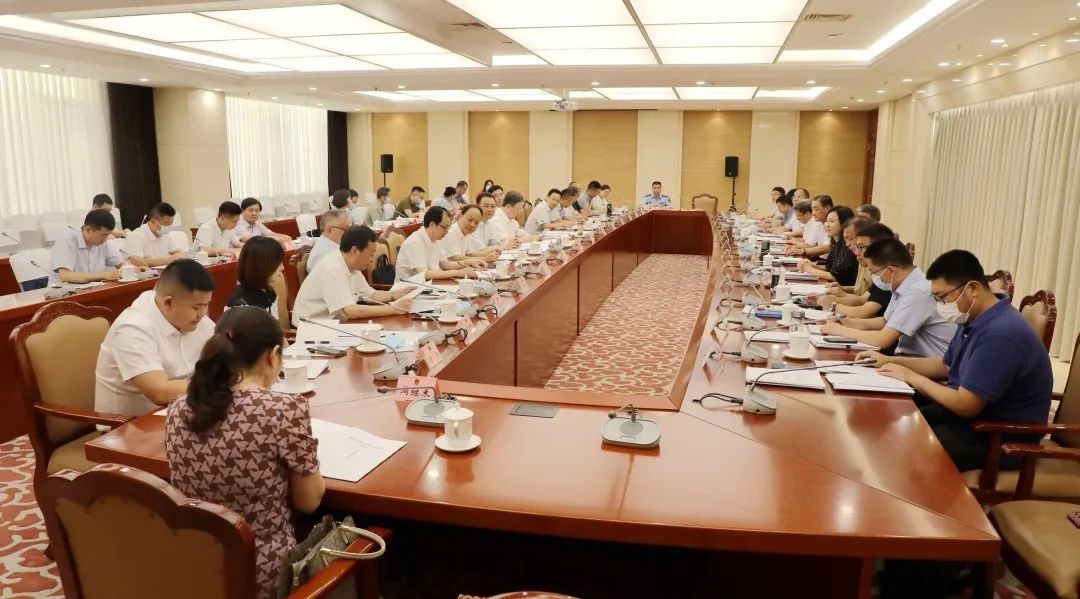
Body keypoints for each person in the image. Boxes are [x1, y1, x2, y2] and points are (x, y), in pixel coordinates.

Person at [166, 306, 324, 599]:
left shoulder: (177, 408)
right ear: (272, 355)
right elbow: (309, 502)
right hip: (262, 575)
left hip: (197, 565)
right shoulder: (284, 409)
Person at [858, 250, 1052, 471]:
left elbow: (966, 404)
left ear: (973, 289)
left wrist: (911, 376)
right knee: (894, 422)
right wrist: (888, 361)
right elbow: (946, 365)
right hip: (972, 421)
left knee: (904, 450)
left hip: (998, 437)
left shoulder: (1001, 333)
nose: (940, 304)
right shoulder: (973, 316)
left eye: (942, 297)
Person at [95, 259, 216, 415]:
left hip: (183, 410)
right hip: (129, 424)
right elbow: (159, 392)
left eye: (206, 304)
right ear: (168, 303)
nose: (202, 314)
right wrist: (217, 386)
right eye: (196, 307)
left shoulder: (196, 317)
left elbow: (226, 359)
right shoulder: (133, 327)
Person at [822, 238, 956, 357]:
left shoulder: (918, 291)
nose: (874, 277)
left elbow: (883, 339)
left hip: (924, 365)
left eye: (873, 272)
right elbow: (886, 321)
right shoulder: (903, 283)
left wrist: (842, 331)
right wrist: (848, 322)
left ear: (891, 270)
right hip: (907, 359)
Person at [292, 226, 414, 325]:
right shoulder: (332, 268)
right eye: (370, 255)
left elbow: (370, 294)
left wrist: (394, 295)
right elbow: (350, 311)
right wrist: (394, 309)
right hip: (312, 330)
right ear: (355, 250)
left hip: (335, 324)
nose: (372, 260)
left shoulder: (352, 265)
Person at [815, 221, 895, 318]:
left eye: (861, 247)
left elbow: (864, 312)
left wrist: (833, 305)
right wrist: (837, 296)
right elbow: (863, 299)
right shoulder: (879, 270)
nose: (857, 252)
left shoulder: (887, 272)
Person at [396, 206, 485, 281]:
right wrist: (457, 272)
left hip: (429, 285)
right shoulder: (414, 242)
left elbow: (445, 264)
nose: (447, 231)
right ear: (432, 224)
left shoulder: (437, 238)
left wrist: (469, 262)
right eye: (444, 227)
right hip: (408, 289)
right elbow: (424, 274)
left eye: (448, 227)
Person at [50, 209, 125, 285]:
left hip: (94, 289)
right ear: (88, 229)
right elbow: (65, 276)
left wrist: (128, 268)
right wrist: (104, 275)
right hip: (65, 290)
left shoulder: (102, 242)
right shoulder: (66, 239)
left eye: (108, 234)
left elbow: (121, 264)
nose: (106, 239)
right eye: (104, 235)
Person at [226, 237, 285, 319]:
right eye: (278, 263)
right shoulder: (240, 305)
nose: (282, 268)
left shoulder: (269, 292)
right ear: (261, 267)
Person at [798, 206, 859, 285]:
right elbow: (829, 268)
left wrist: (809, 269)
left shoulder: (848, 246)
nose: (827, 225)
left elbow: (837, 276)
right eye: (826, 221)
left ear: (844, 224)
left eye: (831, 221)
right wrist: (811, 266)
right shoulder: (837, 244)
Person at [124, 202, 184, 268]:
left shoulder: (165, 235)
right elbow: (139, 262)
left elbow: (178, 253)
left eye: (170, 224)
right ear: (153, 222)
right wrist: (168, 260)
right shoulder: (136, 236)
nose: (169, 227)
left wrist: (178, 256)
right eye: (166, 224)